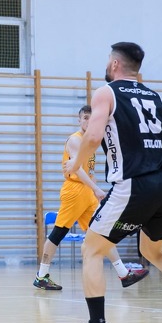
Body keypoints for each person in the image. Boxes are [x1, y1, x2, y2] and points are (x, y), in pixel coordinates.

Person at [63, 42, 162, 323]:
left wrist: (74, 165)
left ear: (115, 64)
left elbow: (92, 137)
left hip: (134, 185)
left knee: (91, 250)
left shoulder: (106, 93)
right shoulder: (155, 96)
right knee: (154, 252)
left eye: (108, 59)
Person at [34, 105, 149, 291]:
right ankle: (41, 276)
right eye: (85, 118)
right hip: (74, 191)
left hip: (87, 192)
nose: (88, 121)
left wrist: (94, 189)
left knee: (102, 232)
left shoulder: (91, 142)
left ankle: (123, 274)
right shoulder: (75, 140)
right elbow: (78, 170)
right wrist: (96, 189)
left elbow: (89, 170)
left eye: (91, 117)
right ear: (79, 120)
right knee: (58, 233)